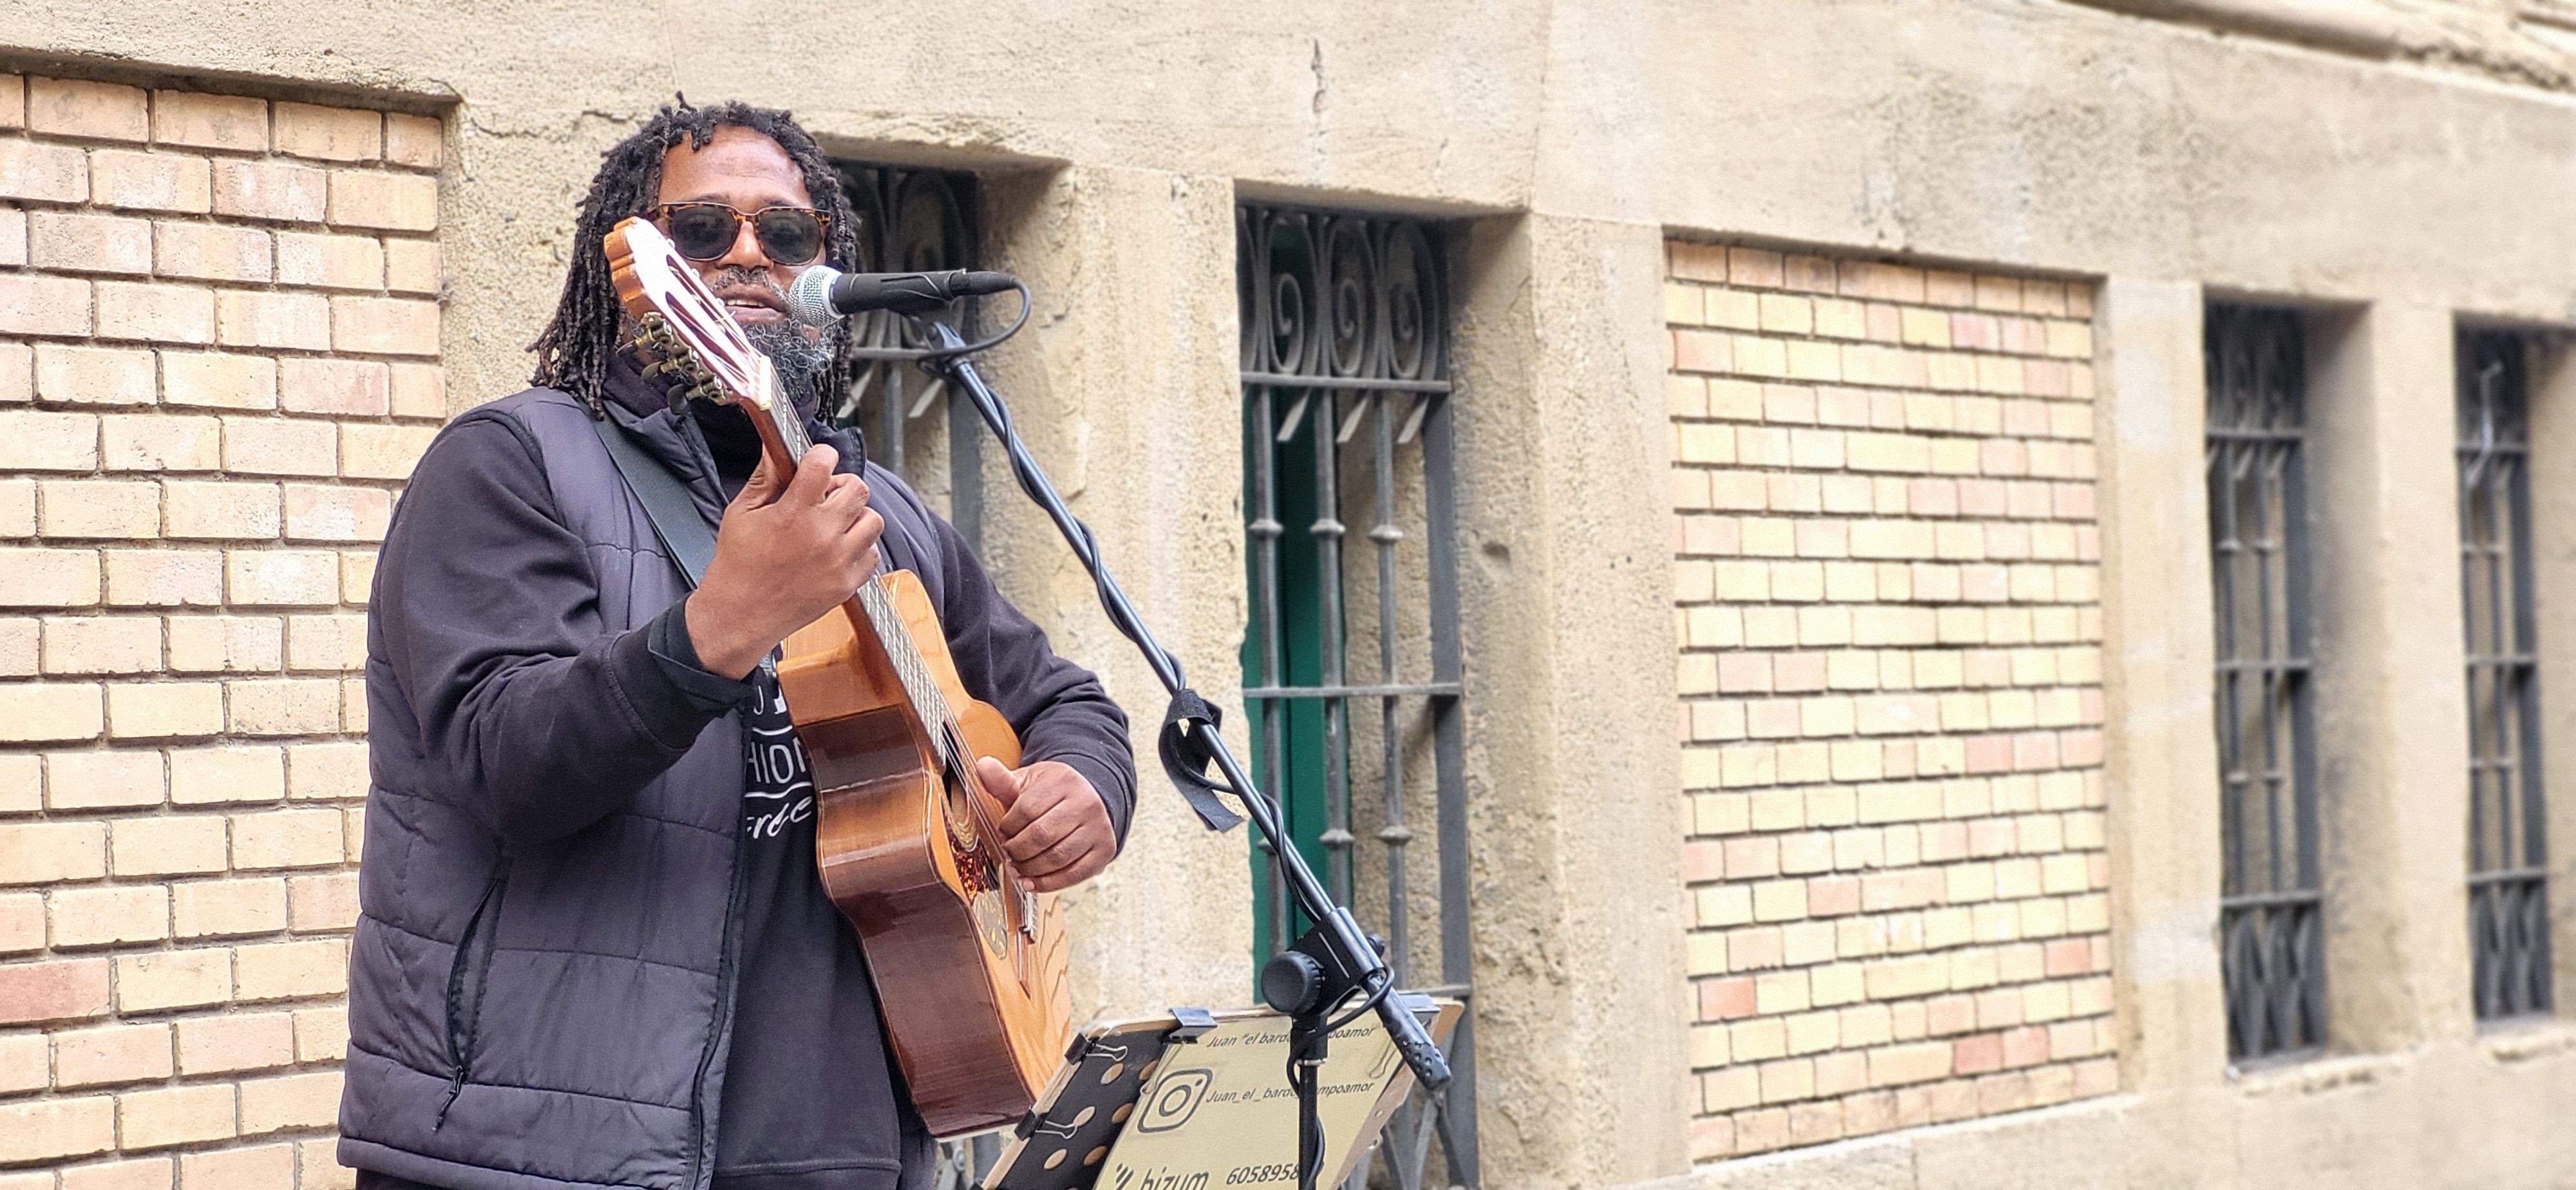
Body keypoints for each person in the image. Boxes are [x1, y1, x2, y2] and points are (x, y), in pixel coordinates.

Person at [337, 99, 1135, 1190]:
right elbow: (502, 765)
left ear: (827, 270)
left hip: (850, 1150)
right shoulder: (509, 466)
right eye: (703, 230)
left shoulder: (879, 514)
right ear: (638, 266)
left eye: (787, 233)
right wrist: (723, 625)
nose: (748, 254)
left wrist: (1081, 791)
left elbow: (1063, 702)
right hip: (558, 1154)